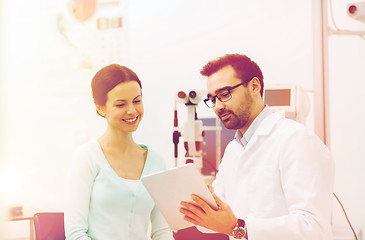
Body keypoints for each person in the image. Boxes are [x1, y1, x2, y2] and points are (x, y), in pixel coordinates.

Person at [180, 54, 334, 240]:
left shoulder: (295, 139)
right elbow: (214, 224)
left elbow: (313, 227)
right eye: (212, 99)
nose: (218, 106)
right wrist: (203, 204)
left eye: (224, 94)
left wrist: (239, 227)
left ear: (254, 86)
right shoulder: (233, 150)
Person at [64, 64, 174, 240]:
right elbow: (75, 233)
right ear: (100, 108)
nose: (132, 111)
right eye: (121, 104)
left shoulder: (156, 162)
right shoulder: (87, 157)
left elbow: (162, 231)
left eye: (137, 101)